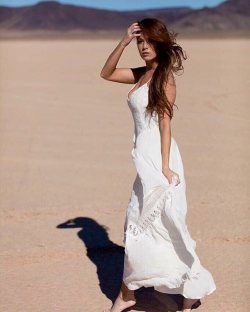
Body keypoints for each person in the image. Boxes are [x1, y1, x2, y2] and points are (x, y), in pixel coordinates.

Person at [100, 18, 216, 312]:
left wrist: (165, 168)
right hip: (144, 159)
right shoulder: (141, 74)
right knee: (141, 225)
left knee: (160, 225)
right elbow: (107, 73)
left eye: (149, 41)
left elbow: (165, 125)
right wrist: (124, 39)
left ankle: (181, 290)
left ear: (160, 43)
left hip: (159, 159)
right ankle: (137, 292)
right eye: (140, 42)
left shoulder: (164, 78)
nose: (143, 47)